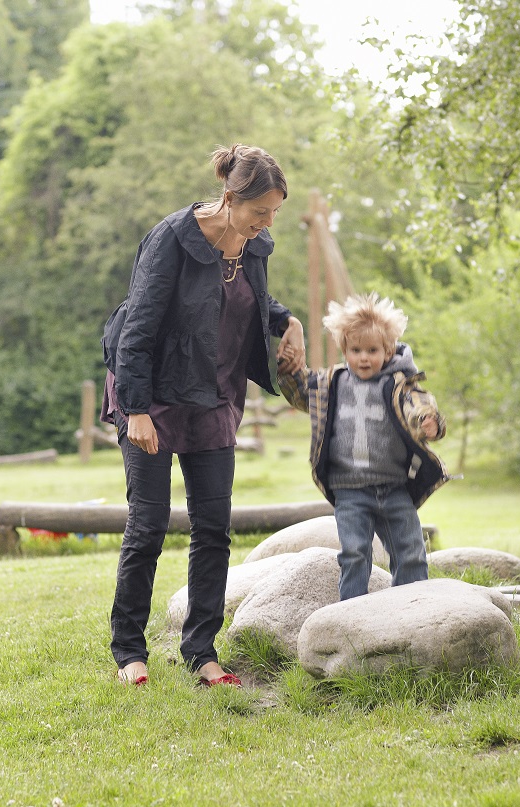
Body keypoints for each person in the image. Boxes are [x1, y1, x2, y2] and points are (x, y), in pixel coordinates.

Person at [100, 144, 306, 688]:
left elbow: (251, 302)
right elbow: (139, 327)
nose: (267, 224)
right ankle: (129, 653)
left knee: (213, 529)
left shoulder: (255, 245)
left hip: (213, 397)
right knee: (148, 527)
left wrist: (291, 323)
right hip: (155, 394)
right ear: (230, 197)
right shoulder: (173, 239)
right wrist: (136, 410)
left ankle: (201, 650)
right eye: (260, 211)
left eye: (274, 213)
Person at [276, 292, 448, 601]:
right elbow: (301, 392)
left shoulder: (398, 384)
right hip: (350, 490)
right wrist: (289, 370)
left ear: (388, 349)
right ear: (344, 349)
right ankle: (352, 616)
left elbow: (420, 406)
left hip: (393, 487)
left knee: (410, 550)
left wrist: (428, 421)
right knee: (354, 553)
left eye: (372, 350)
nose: (364, 358)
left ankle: (414, 611)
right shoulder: (333, 383)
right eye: (355, 350)